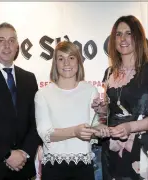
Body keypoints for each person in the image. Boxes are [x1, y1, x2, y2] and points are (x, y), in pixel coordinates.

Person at [34, 41, 102, 180]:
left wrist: (102, 130)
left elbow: (94, 129)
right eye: (61, 58)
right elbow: (45, 133)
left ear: (78, 61)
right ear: (55, 64)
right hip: (53, 168)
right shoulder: (43, 94)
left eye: (71, 57)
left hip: (84, 167)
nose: (66, 63)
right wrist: (75, 132)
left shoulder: (90, 90)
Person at [0, 22, 42, 180]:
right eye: (1, 40)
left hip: (23, 167)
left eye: (11, 40)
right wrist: (6, 155)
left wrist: (24, 153)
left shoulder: (29, 78)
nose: (7, 45)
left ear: (18, 46)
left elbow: (36, 121)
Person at [100, 15, 148, 180]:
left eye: (128, 33)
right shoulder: (109, 73)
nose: (123, 38)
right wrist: (101, 110)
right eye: (118, 34)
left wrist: (130, 127)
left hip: (142, 150)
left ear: (138, 37)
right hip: (111, 150)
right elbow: (108, 114)